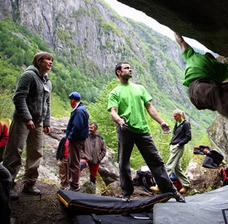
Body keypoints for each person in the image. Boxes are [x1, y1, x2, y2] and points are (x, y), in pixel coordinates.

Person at [107, 61, 185, 203]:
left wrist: (161, 122)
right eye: (126, 68)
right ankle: (126, 193)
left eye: (130, 68)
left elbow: (149, 107)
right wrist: (120, 121)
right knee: (124, 162)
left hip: (143, 130)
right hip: (125, 130)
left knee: (156, 161)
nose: (130, 70)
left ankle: (172, 192)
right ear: (119, 72)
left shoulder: (140, 88)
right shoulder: (115, 92)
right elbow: (113, 112)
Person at [3, 51, 53, 200]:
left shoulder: (48, 82)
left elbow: (47, 104)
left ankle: (30, 183)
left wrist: (47, 122)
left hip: (38, 122)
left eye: (52, 60)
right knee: (15, 151)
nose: (51, 63)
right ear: (39, 61)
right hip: (22, 121)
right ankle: (8, 184)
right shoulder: (28, 76)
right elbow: (19, 97)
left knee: (36, 152)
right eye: (48, 60)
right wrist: (27, 118)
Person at [65, 91, 89, 192]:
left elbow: (77, 127)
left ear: (73, 100)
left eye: (70, 100)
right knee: (73, 161)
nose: (70, 103)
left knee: (74, 162)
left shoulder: (79, 111)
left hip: (76, 140)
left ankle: (74, 185)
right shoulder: (81, 109)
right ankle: (73, 183)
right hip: (78, 139)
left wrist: (70, 136)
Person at [165, 109, 192, 193]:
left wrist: (179, 144)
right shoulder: (177, 123)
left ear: (180, 115)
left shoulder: (186, 124)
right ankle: (186, 185)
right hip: (173, 146)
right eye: (173, 116)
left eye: (175, 116)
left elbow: (188, 137)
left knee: (169, 166)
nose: (174, 118)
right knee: (177, 168)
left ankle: (159, 185)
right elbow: (175, 134)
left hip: (178, 147)